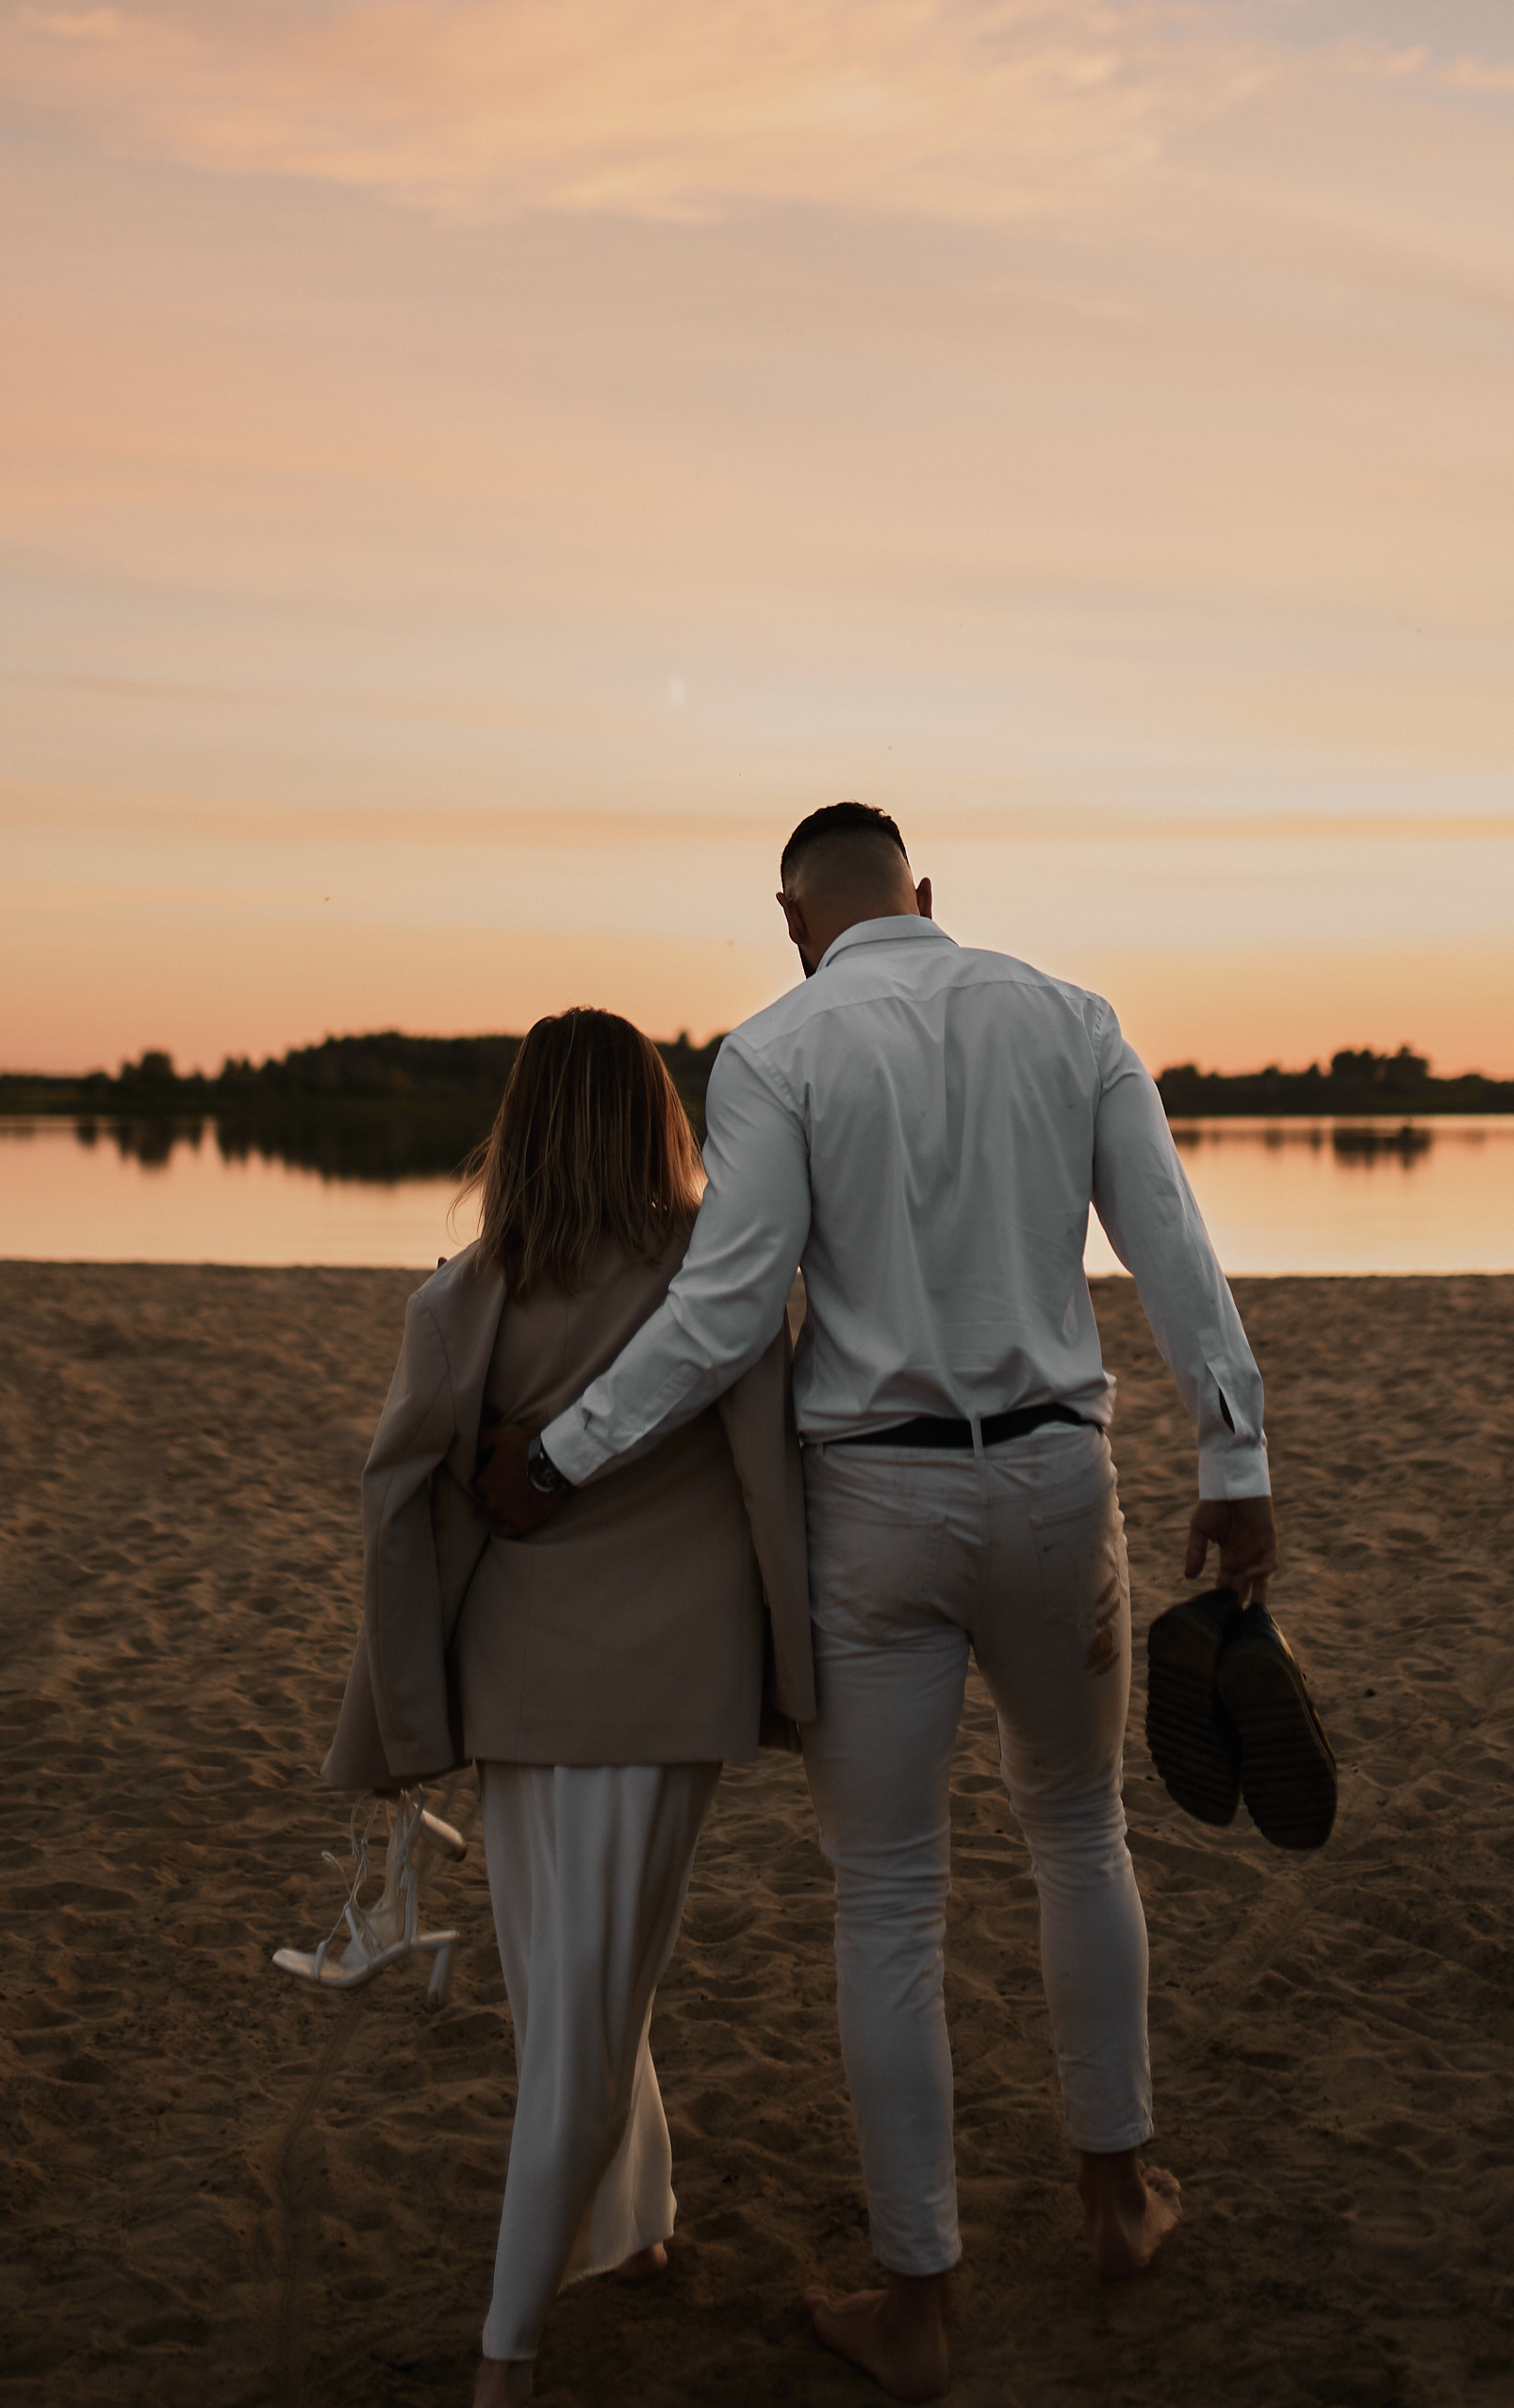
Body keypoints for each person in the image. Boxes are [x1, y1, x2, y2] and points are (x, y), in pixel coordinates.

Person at [480, 806, 1277, 2403]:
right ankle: (1117, 2201)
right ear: (927, 894)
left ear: (794, 920)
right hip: (1056, 1483)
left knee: (888, 1903)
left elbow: (725, 1309)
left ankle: (919, 2301)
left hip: (879, 1507)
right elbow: (1168, 1243)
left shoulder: (773, 1048)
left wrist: (561, 1456)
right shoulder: (1069, 1016)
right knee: (1079, 1831)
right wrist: (1234, 1452)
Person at [321, 1007, 815, 2407]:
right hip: (668, 1680)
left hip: (521, 1679)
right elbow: (771, 1481)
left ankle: (604, 2254)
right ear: (657, 1119)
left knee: (570, 1989)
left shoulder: (463, 1292)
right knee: (581, 2002)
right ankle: (516, 2343)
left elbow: (396, 1508)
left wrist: (404, 1697)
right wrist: (797, 1668)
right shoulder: (713, 1281)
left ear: (521, 1122)